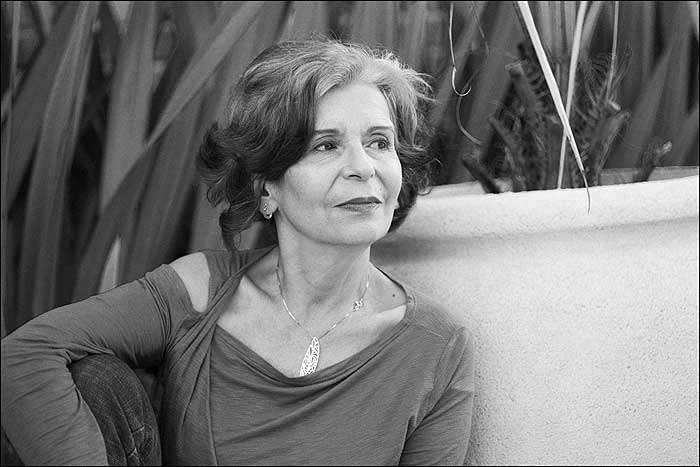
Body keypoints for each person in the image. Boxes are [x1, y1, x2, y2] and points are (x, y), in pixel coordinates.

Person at [1, 39, 475, 466]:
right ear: (266, 187)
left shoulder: (434, 346)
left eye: (379, 142)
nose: (363, 167)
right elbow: (24, 356)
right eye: (326, 145)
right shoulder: (199, 293)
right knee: (95, 378)